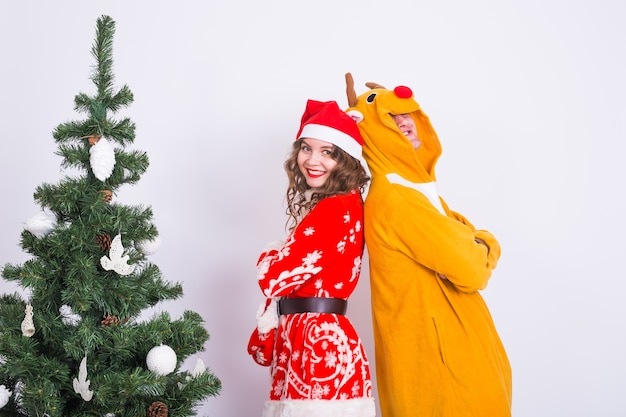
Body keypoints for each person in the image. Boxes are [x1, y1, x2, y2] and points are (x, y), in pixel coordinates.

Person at [344, 73, 512, 416]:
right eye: (389, 118)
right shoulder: (398, 199)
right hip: (443, 373)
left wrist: (472, 240)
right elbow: (472, 268)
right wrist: (486, 241)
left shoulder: (418, 191)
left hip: (457, 357)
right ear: (370, 130)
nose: (403, 122)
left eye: (406, 114)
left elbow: (464, 247)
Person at [247, 99, 376, 417]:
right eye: (306, 148)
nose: (312, 159)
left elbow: (273, 277)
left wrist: (272, 250)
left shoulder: (334, 208)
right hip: (307, 342)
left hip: (318, 348)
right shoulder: (342, 203)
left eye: (327, 152)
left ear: (345, 159)